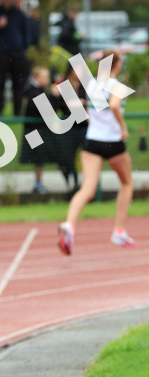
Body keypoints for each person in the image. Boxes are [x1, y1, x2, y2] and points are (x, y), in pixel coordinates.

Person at [59, 51, 133, 254]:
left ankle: (69, 225)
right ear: (116, 65)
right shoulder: (116, 86)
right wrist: (122, 128)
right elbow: (116, 106)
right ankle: (118, 230)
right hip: (113, 141)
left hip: (93, 141)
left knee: (87, 189)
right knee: (127, 183)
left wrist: (95, 123)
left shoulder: (93, 84)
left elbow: (86, 111)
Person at [0, 0, 30, 116]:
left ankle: (17, 110)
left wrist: (24, 48)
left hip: (17, 53)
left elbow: (25, 32)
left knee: (18, 82)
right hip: (2, 53)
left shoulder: (19, 14)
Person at [21, 67, 58, 194]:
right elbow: (47, 110)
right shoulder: (33, 91)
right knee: (38, 157)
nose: (47, 80)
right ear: (37, 78)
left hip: (38, 130)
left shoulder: (37, 91)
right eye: (45, 77)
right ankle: (38, 184)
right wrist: (54, 96)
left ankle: (38, 183)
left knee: (40, 158)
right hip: (35, 131)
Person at [55, 65, 87, 192]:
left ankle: (87, 185)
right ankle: (73, 184)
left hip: (84, 126)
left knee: (88, 156)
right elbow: (60, 105)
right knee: (66, 157)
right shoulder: (64, 85)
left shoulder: (85, 86)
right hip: (70, 127)